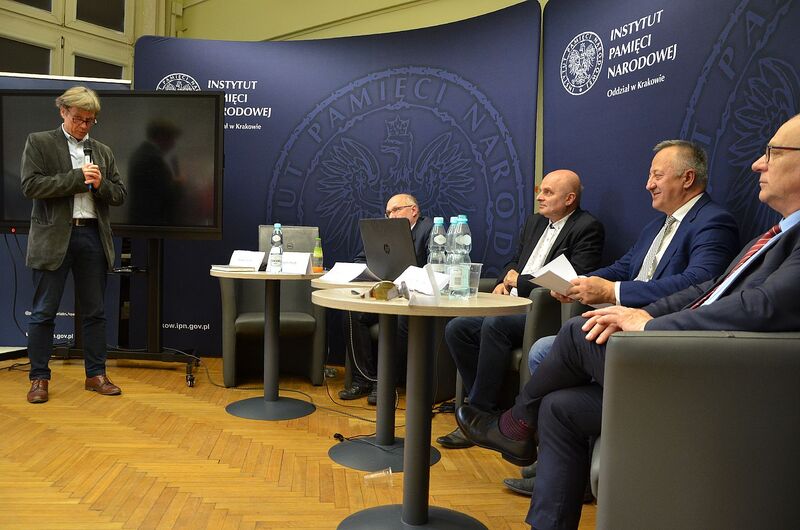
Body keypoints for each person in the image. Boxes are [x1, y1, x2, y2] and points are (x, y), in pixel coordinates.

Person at [456, 114, 800, 530]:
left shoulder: (719, 222)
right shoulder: (769, 233)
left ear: (687, 178)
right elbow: (711, 287)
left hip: (717, 379)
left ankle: (512, 424)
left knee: (575, 334)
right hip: (685, 356)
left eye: (772, 153)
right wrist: (596, 289)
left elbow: (758, 306)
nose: (757, 165)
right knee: (560, 406)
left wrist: (647, 325)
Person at [504, 139, 740, 495]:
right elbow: (624, 267)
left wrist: (613, 293)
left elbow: (701, 284)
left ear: (688, 178)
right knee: (546, 348)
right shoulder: (656, 227)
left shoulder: (713, 222)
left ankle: (544, 449)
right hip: (622, 326)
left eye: (657, 175)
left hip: (660, 334)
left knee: (546, 350)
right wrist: (577, 284)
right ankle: (557, 459)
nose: (648, 184)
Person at [437, 169, 605, 448]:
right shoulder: (534, 223)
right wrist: (506, 279)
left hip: (546, 311)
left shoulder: (587, 227)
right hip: (513, 302)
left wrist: (520, 282)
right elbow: (514, 261)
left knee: (495, 325)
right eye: (540, 190)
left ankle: (479, 412)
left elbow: (578, 278)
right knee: (458, 328)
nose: (540, 197)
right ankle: (494, 409)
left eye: (548, 192)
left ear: (570, 198)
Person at [21, 86, 127, 404]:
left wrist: (100, 184)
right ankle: (39, 379)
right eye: (79, 118)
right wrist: (77, 178)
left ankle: (96, 375)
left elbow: (119, 194)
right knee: (43, 313)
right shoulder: (39, 142)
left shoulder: (103, 151)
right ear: (63, 111)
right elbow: (30, 186)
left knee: (95, 312)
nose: (84, 125)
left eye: (90, 120)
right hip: (53, 238)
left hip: (92, 237)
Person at [338, 193, 433, 404]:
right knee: (353, 313)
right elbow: (361, 259)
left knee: (399, 321)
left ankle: (387, 383)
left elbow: (433, 267)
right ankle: (364, 379)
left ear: (414, 210)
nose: (391, 215)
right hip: (385, 294)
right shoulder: (384, 231)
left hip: (414, 299)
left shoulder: (430, 229)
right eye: (388, 212)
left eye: (396, 210)